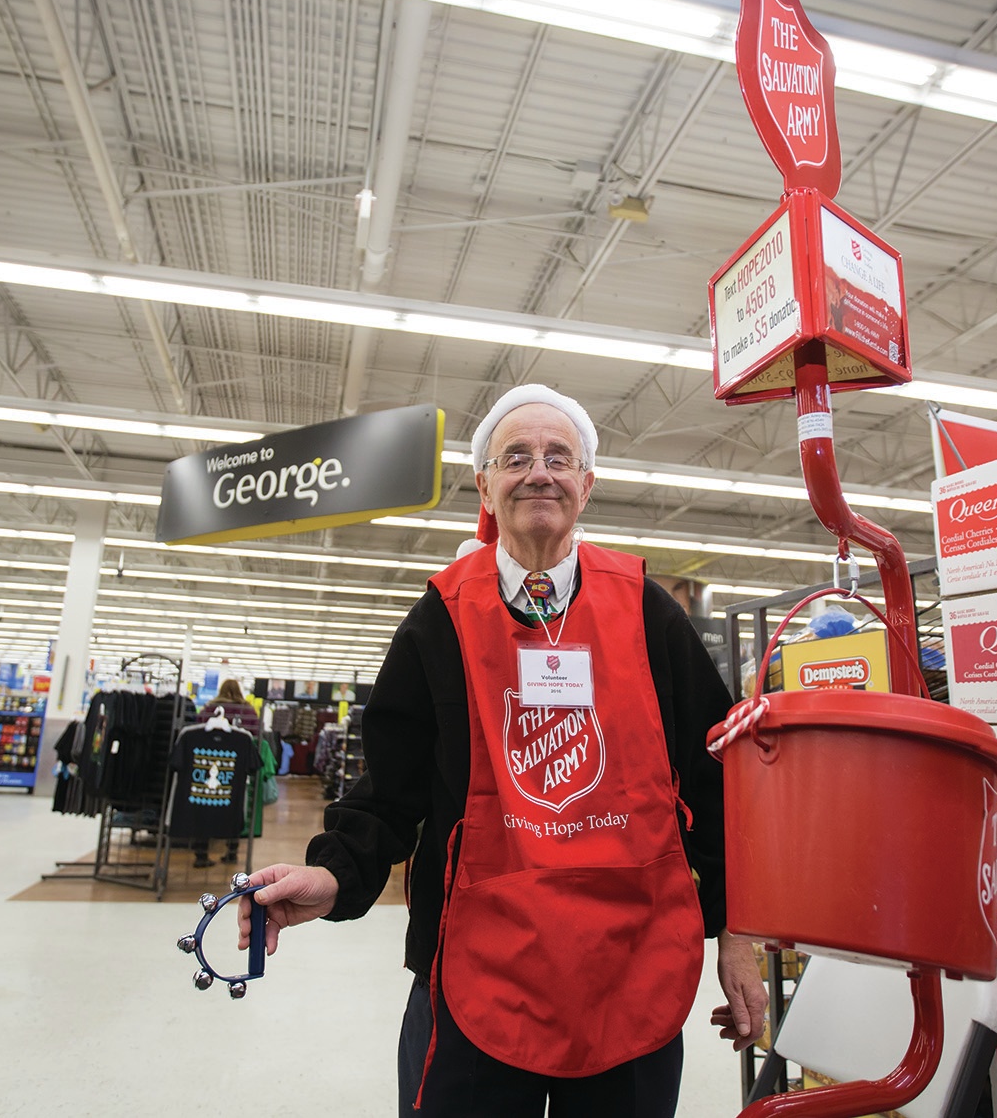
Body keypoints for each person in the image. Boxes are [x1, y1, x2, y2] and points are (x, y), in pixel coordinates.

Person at [242, 383, 766, 1117]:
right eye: (515, 456)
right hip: (476, 971)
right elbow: (390, 788)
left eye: (560, 456)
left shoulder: (650, 611)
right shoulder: (441, 619)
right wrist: (334, 874)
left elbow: (719, 779)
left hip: (634, 966)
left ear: (588, 483)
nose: (539, 471)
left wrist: (734, 930)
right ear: (485, 484)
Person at [192, 678, 263, 869]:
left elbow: (196, 731)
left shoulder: (209, 708)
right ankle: (231, 852)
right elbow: (255, 737)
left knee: (204, 807)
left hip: (207, 766)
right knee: (234, 808)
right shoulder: (248, 710)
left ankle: (201, 853)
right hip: (236, 770)